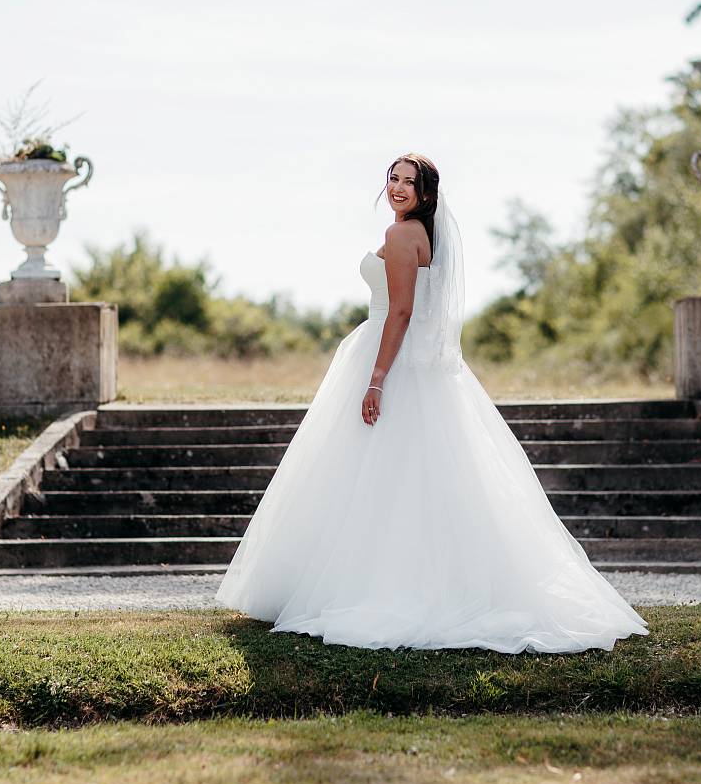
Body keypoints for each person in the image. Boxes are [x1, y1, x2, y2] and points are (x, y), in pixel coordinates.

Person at [215, 153, 649, 652]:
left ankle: (372, 587)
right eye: (393, 178)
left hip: (389, 355)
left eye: (409, 182)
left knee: (372, 475)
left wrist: (377, 378)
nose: (398, 187)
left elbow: (400, 310)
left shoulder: (401, 236)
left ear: (426, 193)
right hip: (415, 361)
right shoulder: (425, 234)